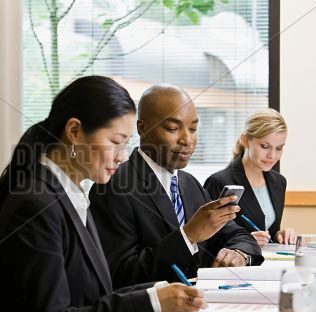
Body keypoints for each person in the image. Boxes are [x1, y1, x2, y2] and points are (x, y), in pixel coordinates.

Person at [0, 76, 206, 312]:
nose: (122, 156)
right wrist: (152, 301)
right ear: (74, 132)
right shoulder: (36, 205)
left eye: (125, 144)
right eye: (115, 142)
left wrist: (158, 291)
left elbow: (97, 293)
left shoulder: (71, 193)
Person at [89, 84, 263, 289]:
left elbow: (238, 235)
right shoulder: (114, 185)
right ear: (142, 129)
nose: (187, 140)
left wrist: (238, 254)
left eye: (193, 129)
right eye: (173, 129)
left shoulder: (190, 184)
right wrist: (188, 236)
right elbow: (119, 274)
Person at [204, 108, 296, 246]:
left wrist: (279, 235)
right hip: (235, 265)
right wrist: (245, 240)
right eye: (265, 146)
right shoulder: (219, 182)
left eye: (279, 148)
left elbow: (268, 232)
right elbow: (206, 239)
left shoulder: (279, 182)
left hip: (269, 264)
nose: (272, 156)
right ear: (245, 140)